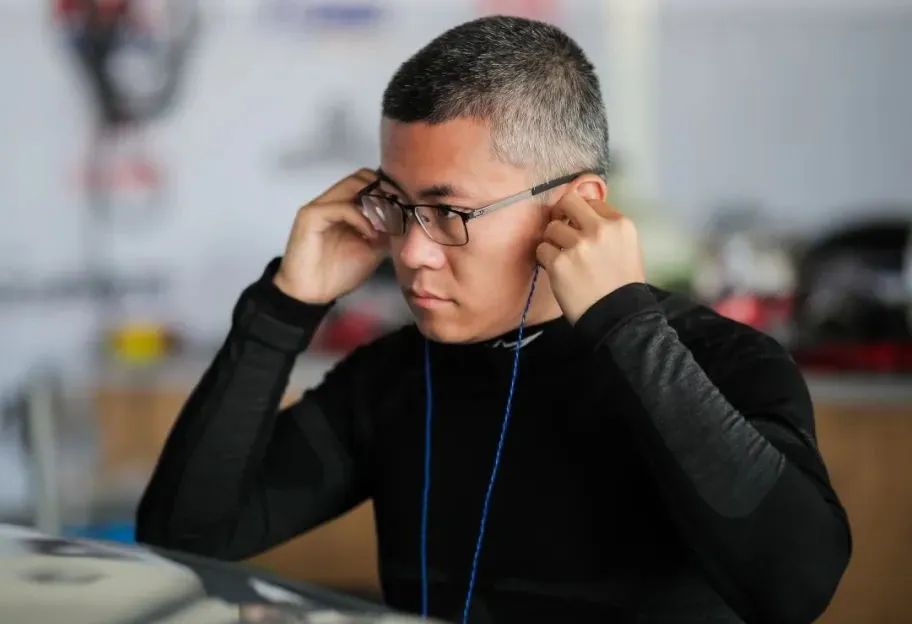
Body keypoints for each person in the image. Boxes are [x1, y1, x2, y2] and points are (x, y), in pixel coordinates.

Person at [136, 15, 851, 624]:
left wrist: (627, 328)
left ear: (577, 206)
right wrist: (284, 306)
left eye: (448, 212)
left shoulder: (723, 363)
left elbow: (794, 588)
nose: (411, 253)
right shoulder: (394, 377)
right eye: (398, 206)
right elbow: (184, 536)